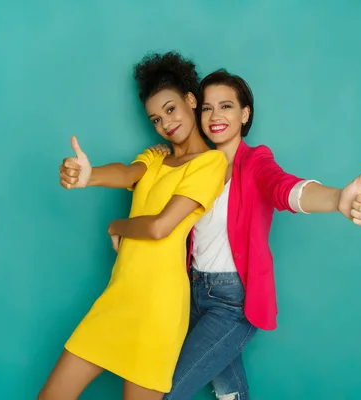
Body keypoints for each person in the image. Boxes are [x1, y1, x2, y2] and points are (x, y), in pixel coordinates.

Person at [148, 69, 361, 400]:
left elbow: (284, 188)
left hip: (231, 301)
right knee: (227, 390)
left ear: (245, 114)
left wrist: (336, 198)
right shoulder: (192, 166)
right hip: (191, 293)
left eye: (226, 106)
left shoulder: (256, 162)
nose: (215, 116)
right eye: (208, 108)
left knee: (166, 390)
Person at [39, 52, 227, 400]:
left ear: (190, 100)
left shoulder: (210, 163)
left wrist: (117, 225)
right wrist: (89, 176)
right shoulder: (155, 157)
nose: (165, 123)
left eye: (170, 109)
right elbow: (127, 173)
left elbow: (160, 228)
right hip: (120, 295)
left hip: (159, 307)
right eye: (156, 118)